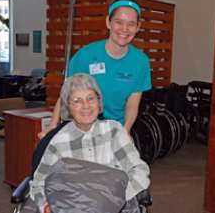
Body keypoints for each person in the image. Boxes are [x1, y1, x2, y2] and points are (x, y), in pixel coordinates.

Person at [29, 73, 150, 213]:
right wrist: (46, 206)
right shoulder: (58, 142)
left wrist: (114, 198)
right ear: (68, 106)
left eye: (90, 98)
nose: (86, 106)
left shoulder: (114, 131)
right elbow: (38, 184)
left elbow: (139, 170)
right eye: (77, 101)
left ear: (99, 102)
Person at [39, 0, 151, 138]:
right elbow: (66, 94)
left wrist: (125, 131)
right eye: (118, 22)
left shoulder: (140, 62)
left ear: (138, 27)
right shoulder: (86, 55)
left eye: (131, 24)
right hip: (82, 127)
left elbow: (133, 104)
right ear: (108, 22)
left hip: (115, 129)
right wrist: (52, 126)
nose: (124, 29)